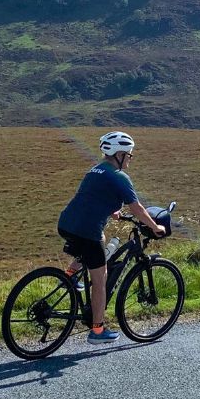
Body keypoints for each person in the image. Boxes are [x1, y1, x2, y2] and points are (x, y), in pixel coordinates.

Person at [58, 131, 167, 344]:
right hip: (87, 230)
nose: (130, 159)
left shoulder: (95, 170)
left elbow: (92, 197)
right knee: (100, 279)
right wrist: (155, 227)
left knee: (96, 244)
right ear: (119, 154)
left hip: (66, 224)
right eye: (129, 155)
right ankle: (97, 331)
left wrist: (112, 210)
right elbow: (137, 208)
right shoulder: (119, 176)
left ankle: (70, 275)